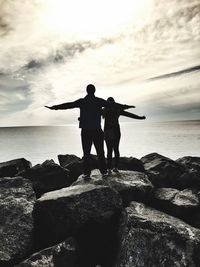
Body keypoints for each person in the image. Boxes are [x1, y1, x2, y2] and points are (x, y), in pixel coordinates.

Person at [45, 84, 134, 179]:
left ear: (87, 91)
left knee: (86, 153)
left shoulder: (82, 101)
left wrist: (54, 107)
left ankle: (87, 173)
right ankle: (103, 172)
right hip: (97, 130)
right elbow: (112, 105)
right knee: (100, 152)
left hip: (86, 131)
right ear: (94, 91)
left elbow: (68, 105)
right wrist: (126, 106)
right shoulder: (98, 101)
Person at [102, 97, 146, 174]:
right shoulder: (117, 110)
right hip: (116, 131)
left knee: (109, 150)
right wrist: (140, 118)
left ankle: (109, 168)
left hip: (108, 132)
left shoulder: (104, 110)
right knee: (116, 149)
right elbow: (130, 115)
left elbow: (93, 113)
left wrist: (82, 119)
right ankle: (115, 167)